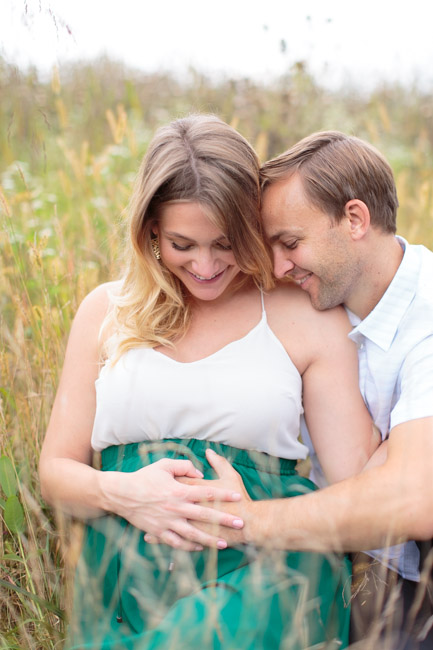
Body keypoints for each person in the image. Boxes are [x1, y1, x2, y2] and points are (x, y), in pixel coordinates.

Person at [39, 117, 378, 649]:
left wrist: (262, 517)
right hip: (128, 571)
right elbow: (55, 473)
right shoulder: (106, 311)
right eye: (182, 243)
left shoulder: (304, 315)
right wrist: (120, 492)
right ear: (150, 229)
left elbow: (358, 480)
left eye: (225, 243)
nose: (204, 265)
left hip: (268, 568)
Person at [165, 131, 433, 649]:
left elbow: (414, 497)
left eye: (290, 243)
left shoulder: (427, 317)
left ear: (356, 220)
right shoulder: (314, 297)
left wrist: (248, 521)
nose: (279, 266)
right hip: (369, 562)